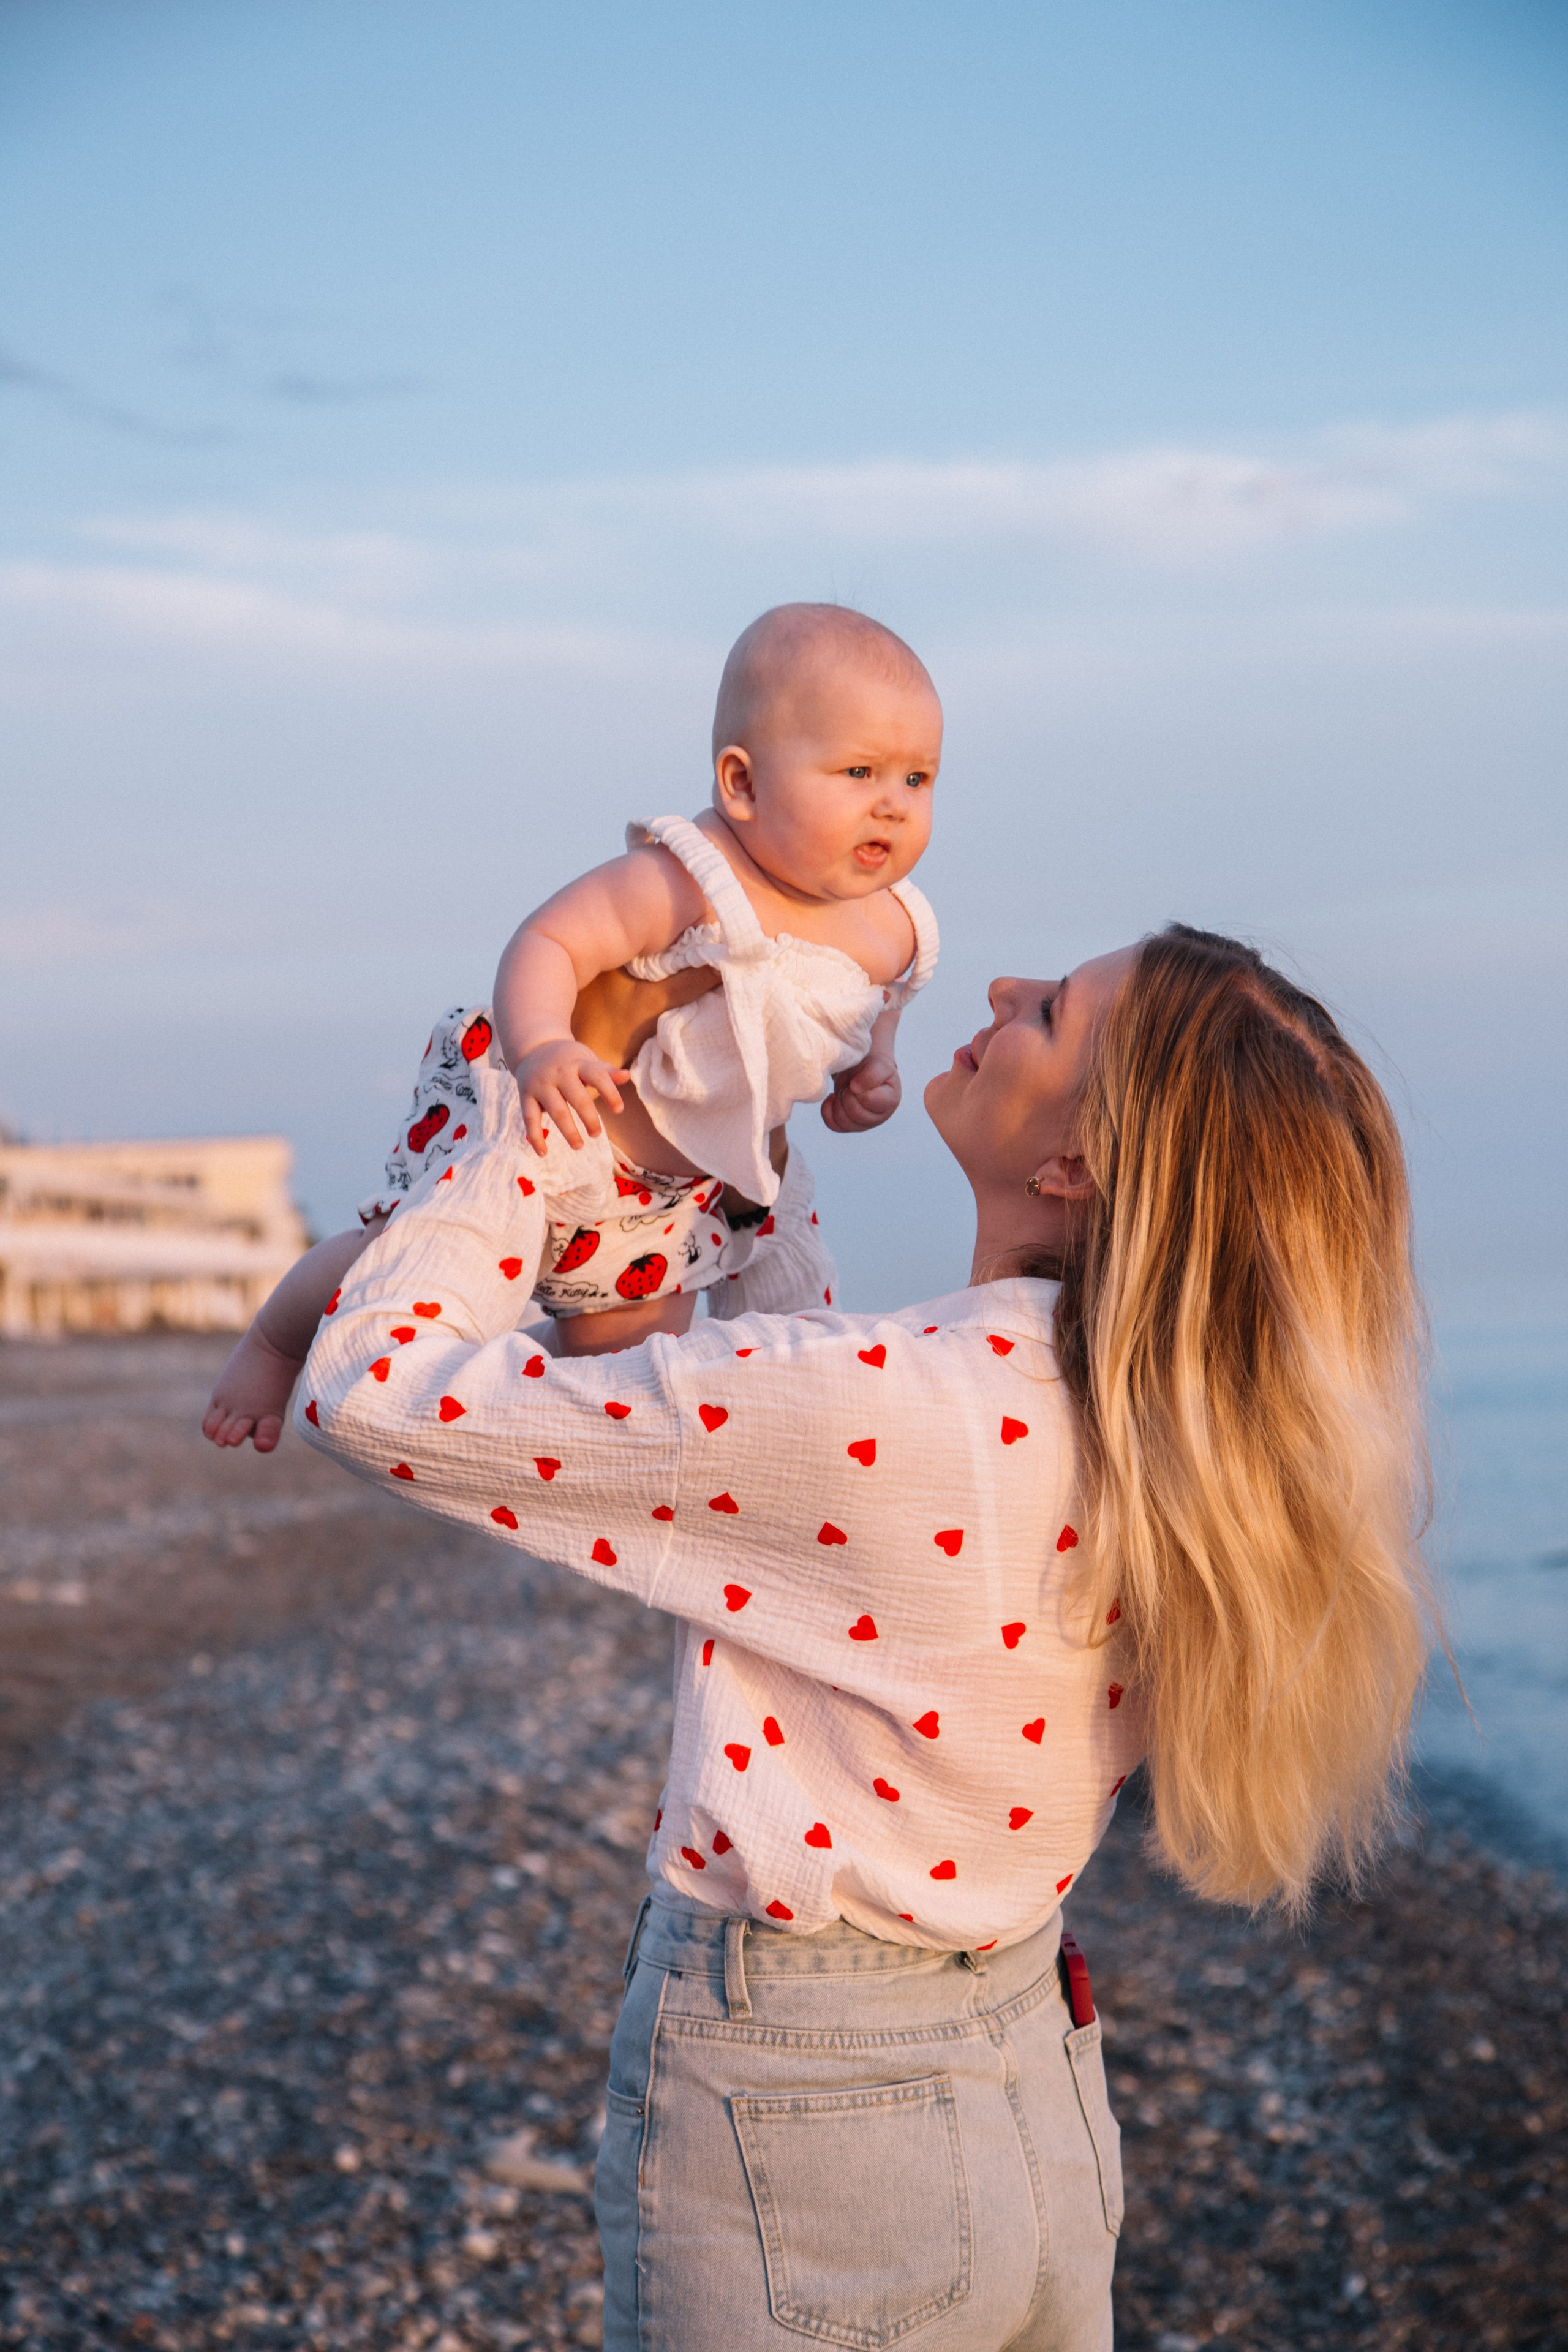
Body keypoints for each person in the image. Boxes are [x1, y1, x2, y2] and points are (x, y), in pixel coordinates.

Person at [293, 925, 1433, 2351]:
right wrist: (736, 1123)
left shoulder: (903, 1414)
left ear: (1072, 1166)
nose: (1004, 985)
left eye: (1051, 1010)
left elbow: (374, 1395)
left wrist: (524, 1132)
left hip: (811, 2111)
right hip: (1030, 2091)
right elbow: (811, 1433)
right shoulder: (1169, 1447)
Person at [202, 602, 940, 1453]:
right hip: (558, 1132)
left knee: (629, 1354)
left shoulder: (890, 927)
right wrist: (545, 1043)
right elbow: (549, 939)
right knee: (399, 1256)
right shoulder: (692, 883)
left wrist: (870, 1074)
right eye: (858, 774)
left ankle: (522, 1392)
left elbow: (868, 1008)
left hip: (677, 1200)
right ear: (742, 784)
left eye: (917, 780)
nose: (892, 806)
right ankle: (277, 1340)